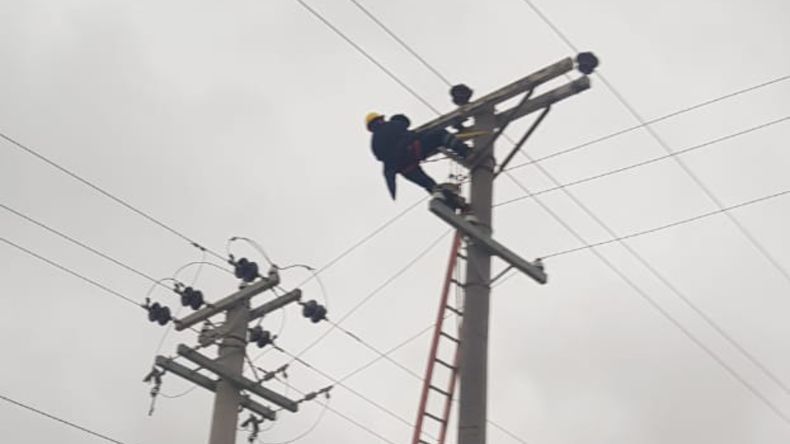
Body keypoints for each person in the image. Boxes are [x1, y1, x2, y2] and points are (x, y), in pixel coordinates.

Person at [365, 112, 473, 201]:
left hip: (402, 167)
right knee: (440, 135)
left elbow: (380, 158)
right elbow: (409, 132)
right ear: (380, 120)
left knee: (425, 181)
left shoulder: (373, 143)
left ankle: (440, 195)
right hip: (413, 150)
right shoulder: (393, 124)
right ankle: (467, 152)